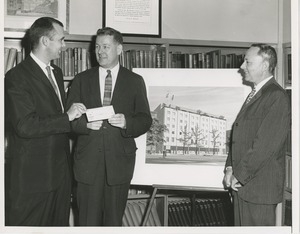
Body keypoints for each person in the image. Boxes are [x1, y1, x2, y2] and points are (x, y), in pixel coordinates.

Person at [66, 27, 152, 226]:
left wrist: (127, 123)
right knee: (87, 222)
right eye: (97, 47)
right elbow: (68, 120)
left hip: (119, 164)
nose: (100, 51)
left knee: (113, 222)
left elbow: (145, 119)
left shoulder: (135, 81)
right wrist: (85, 125)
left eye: (106, 46)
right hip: (88, 164)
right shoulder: (81, 80)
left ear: (119, 49)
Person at [5, 17, 86, 226]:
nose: (64, 45)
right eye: (61, 39)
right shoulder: (16, 77)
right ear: (45, 41)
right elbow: (25, 125)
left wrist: (83, 120)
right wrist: (66, 117)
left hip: (59, 177)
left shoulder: (56, 73)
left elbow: (59, 118)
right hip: (33, 181)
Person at [223, 44, 291, 226]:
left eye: (247, 62)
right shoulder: (256, 94)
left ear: (265, 65)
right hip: (243, 186)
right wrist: (230, 168)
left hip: (258, 190)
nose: (242, 67)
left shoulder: (276, 96)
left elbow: (265, 146)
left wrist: (240, 175)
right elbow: (239, 136)